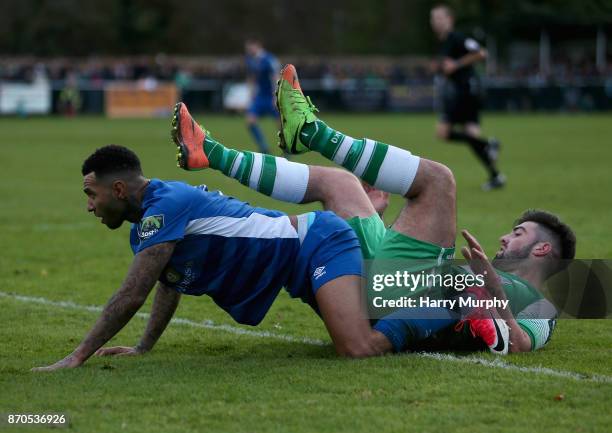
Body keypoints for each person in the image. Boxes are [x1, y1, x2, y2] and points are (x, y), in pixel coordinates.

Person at [172, 64, 576, 354]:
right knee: (342, 184)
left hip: (407, 299)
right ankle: (209, 153)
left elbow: (520, 344)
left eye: (519, 234)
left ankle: (312, 132)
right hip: (390, 289)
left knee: (439, 182)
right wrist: (375, 220)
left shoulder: (540, 307)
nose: (505, 237)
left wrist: (493, 295)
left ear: (543, 251)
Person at [430, 4, 505, 191]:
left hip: (466, 90)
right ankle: (496, 176)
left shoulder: (457, 37)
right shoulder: (444, 42)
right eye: (434, 18)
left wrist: (455, 64)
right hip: (464, 90)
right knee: (471, 136)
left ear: (450, 20)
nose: (436, 22)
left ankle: (489, 144)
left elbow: (481, 52)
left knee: (443, 132)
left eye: (440, 18)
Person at [244, 37, 279, 154]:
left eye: (250, 48)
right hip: (260, 97)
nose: (249, 50)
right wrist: (251, 94)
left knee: (281, 126)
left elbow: (275, 77)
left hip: (271, 96)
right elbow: (251, 77)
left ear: (258, 46)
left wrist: (276, 96)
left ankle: (288, 149)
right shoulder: (250, 60)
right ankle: (264, 147)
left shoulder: (269, 59)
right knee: (250, 121)